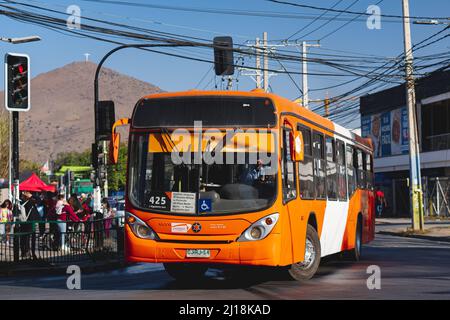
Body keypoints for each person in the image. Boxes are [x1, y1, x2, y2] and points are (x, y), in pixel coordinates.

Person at [19, 191, 40, 259]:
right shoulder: (28, 203)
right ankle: (29, 252)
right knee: (29, 238)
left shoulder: (24, 203)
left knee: (26, 238)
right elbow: (38, 199)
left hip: (26, 223)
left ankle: (26, 252)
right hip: (30, 223)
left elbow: (38, 200)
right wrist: (31, 196)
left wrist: (30, 196)